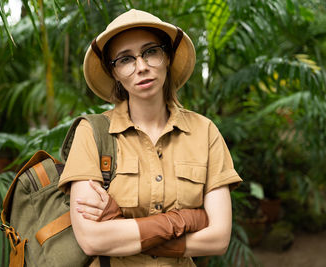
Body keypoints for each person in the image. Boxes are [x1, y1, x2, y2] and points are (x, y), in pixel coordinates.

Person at [58, 9, 242, 267]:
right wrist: (186, 220)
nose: (141, 67)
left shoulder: (204, 131)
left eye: (151, 52)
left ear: (167, 56)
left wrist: (120, 228)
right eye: (125, 59)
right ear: (114, 73)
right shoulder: (92, 133)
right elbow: (91, 239)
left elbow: (218, 238)